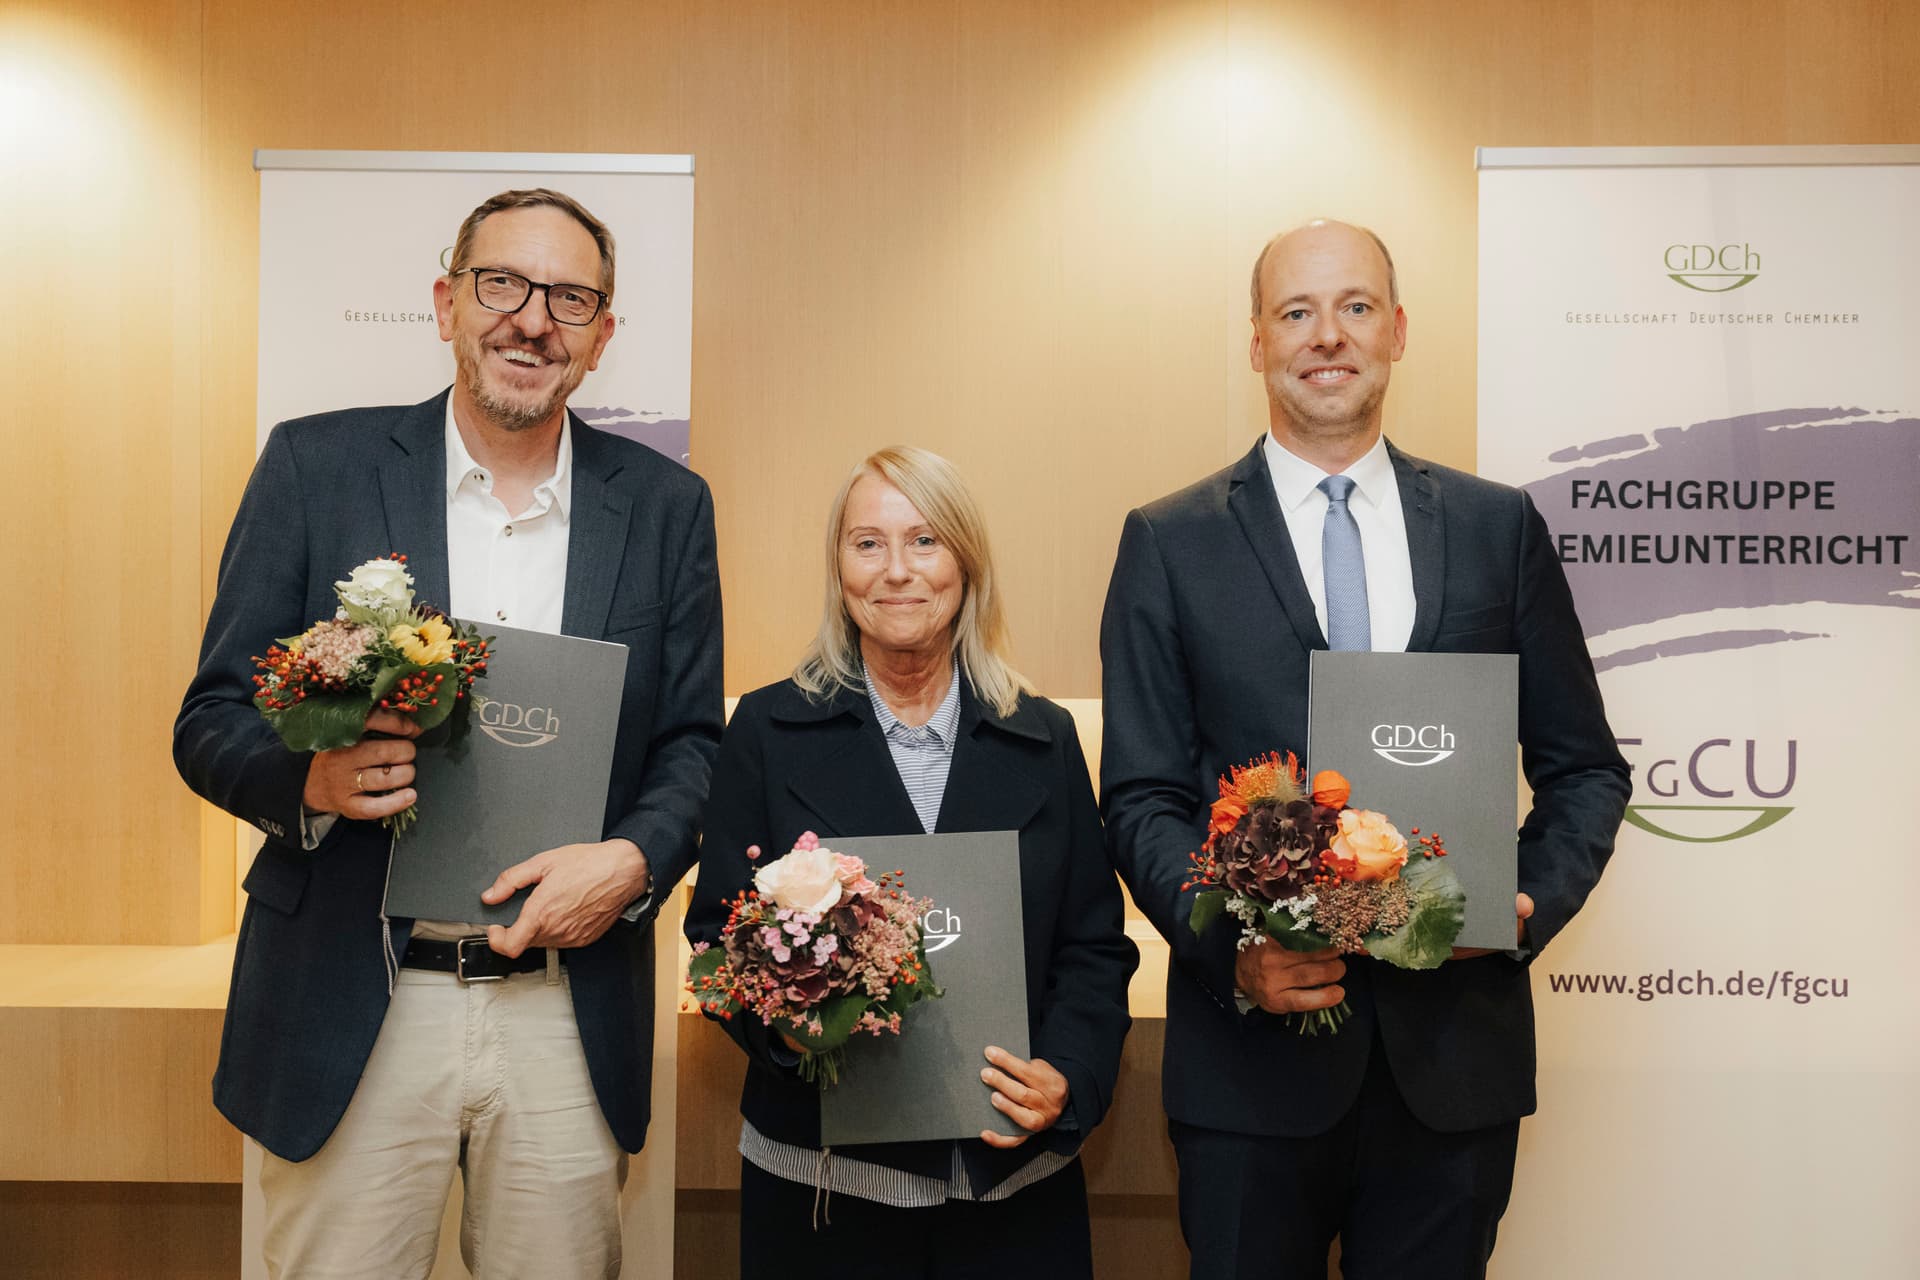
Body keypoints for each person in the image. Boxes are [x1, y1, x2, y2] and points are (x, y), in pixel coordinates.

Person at [174, 188, 723, 1278]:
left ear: (602, 335)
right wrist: (310, 782)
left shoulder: (667, 505)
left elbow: (695, 745)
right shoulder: (316, 466)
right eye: (502, 284)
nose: (533, 320)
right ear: (446, 303)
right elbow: (212, 718)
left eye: (570, 299)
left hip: (566, 1004)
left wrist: (633, 859)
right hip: (353, 994)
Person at [1099, 220, 1630, 1279]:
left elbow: (1585, 768)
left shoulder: (1497, 527)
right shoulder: (1169, 540)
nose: (1327, 335)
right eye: (1296, 311)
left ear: (1397, 330)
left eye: (1354, 307)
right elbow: (1143, 797)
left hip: (1453, 1067)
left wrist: (1522, 904)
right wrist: (1233, 954)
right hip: (1248, 1073)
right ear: (1258, 341)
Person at [686, 446, 1137, 1280]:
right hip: (824, 1190)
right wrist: (789, 1027)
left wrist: (1069, 1075)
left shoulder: (1045, 737)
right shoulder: (766, 730)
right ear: (839, 569)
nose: (897, 570)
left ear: (966, 564)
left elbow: (1093, 948)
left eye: (925, 541)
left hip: (1013, 1188)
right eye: (868, 543)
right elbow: (716, 935)